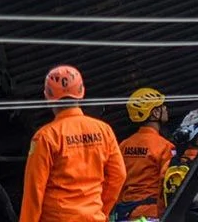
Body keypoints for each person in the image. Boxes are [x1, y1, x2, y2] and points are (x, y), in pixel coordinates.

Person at [19, 65, 126, 222]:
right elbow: (119, 175)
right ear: (81, 92)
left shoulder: (45, 137)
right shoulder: (104, 130)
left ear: (48, 97)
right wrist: (101, 210)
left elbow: (34, 190)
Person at [112, 88, 175, 222]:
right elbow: (167, 184)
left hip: (124, 214)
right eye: (162, 106)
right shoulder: (165, 147)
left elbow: (115, 179)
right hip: (150, 213)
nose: (166, 109)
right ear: (155, 112)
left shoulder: (123, 145)